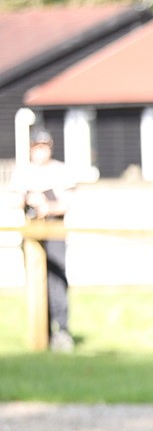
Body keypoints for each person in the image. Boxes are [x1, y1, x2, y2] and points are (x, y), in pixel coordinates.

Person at [11, 129, 75, 352]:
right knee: (36, 282)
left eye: (44, 146)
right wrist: (30, 200)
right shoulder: (23, 173)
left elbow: (67, 203)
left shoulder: (60, 170)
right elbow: (15, 200)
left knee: (56, 281)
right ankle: (41, 333)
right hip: (31, 234)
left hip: (54, 231)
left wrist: (47, 207)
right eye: (37, 147)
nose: (40, 151)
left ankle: (62, 330)